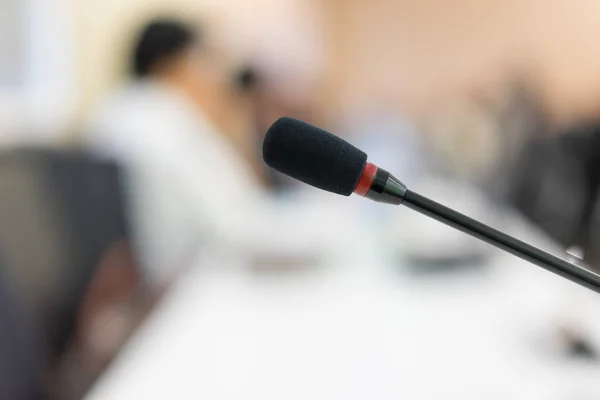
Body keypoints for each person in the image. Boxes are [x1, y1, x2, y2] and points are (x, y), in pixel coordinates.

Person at [85, 18, 347, 290]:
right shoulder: (163, 120)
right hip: (187, 284)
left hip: (177, 280)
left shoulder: (128, 111)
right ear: (175, 64)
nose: (216, 75)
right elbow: (234, 223)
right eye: (205, 60)